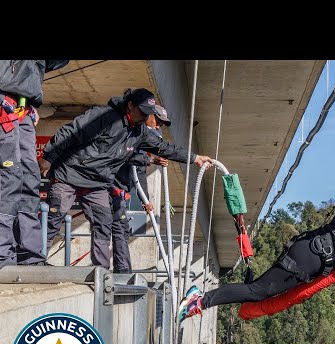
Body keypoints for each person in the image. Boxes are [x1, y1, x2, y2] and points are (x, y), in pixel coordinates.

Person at [177, 143, 335, 321]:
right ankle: (199, 301)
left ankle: (200, 300)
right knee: (257, 291)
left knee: (261, 293)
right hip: (309, 257)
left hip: (313, 260)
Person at [40, 88, 214, 269]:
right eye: (143, 112)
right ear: (130, 105)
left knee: (103, 222)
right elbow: (70, 131)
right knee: (54, 216)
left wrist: (195, 158)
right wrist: (48, 157)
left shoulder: (140, 133)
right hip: (70, 173)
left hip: (97, 182)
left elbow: (165, 148)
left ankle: (100, 270)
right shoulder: (104, 116)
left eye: (149, 114)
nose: (146, 117)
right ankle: (35, 260)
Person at [0, 60, 69, 268]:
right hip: (4, 103)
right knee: (9, 177)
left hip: (24, 108)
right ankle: (3, 254)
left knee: (30, 179)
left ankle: (29, 255)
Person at [110, 104, 171, 274]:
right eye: (157, 121)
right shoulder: (133, 134)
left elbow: (139, 172)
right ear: (148, 116)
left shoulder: (144, 143)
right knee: (117, 226)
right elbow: (127, 157)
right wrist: (151, 160)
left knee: (120, 227)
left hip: (120, 189)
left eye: (162, 124)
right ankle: (120, 272)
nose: (159, 126)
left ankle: (122, 270)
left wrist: (145, 199)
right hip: (109, 185)